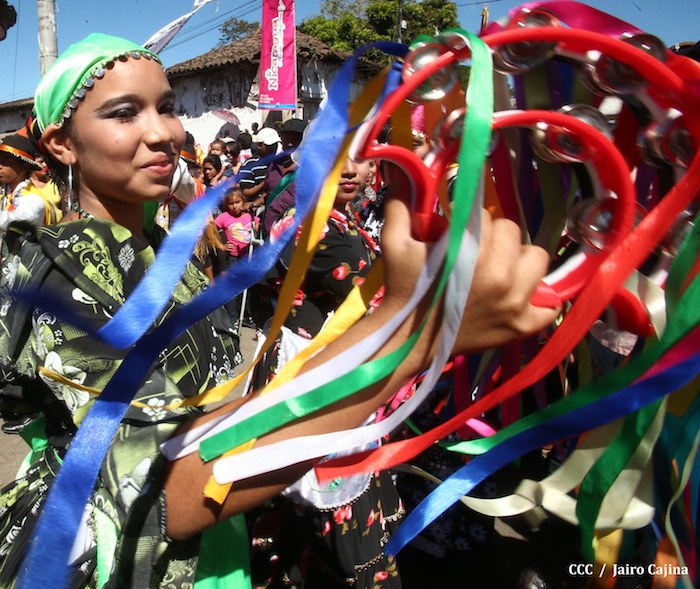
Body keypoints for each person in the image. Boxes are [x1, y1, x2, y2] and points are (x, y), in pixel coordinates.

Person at [0, 32, 559, 589]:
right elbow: (154, 487)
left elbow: (202, 413)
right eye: (125, 113)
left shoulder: (164, 249)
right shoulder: (61, 267)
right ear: (62, 145)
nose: (163, 133)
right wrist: (412, 332)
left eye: (167, 108)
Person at [0, 133, 54, 236]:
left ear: (24, 168)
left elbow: (17, 223)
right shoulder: (5, 195)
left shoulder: (34, 199)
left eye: (5, 161)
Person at [261, 117, 307, 236]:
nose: (290, 143)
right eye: (287, 138)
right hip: (269, 233)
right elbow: (269, 193)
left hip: (295, 236)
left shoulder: (311, 170)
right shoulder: (274, 164)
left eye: (296, 139)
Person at [239, 127, 280, 212]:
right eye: (269, 146)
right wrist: (265, 182)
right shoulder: (250, 164)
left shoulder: (281, 163)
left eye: (275, 144)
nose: (273, 148)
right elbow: (245, 192)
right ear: (259, 145)